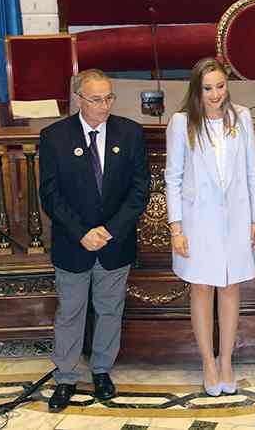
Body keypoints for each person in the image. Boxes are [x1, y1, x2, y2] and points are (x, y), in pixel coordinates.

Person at [39, 69, 150, 412]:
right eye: (97, 99)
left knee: (110, 310)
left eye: (109, 98)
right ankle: (66, 377)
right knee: (70, 312)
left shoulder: (130, 133)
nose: (105, 106)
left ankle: (102, 371)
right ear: (78, 99)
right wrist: (82, 233)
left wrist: (110, 230)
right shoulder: (54, 137)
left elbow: (140, 190)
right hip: (73, 244)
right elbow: (50, 195)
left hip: (114, 243)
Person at [164, 57, 255, 397]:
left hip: (236, 219)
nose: (215, 94)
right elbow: (173, 178)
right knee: (203, 288)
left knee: (231, 286)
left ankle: (226, 361)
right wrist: (176, 228)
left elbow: (252, 170)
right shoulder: (181, 123)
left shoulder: (242, 117)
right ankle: (208, 361)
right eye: (208, 88)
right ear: (197, 90)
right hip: (198, 223)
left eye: (220, 86)